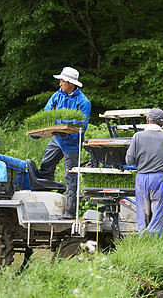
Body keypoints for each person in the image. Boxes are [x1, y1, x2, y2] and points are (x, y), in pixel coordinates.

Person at [37, 67, 91, 219]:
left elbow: (81, 126)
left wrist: (65, 130)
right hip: (56, 139)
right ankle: (45, 203)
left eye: (62, 81)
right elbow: (47, 112)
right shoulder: (58, 95)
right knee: (46, 165)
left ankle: (70, 212)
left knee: (71, 176)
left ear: (71, 83)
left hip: (72, 143)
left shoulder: (83, 102)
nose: (60, 83)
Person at [125, 108, 163, 236]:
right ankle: (153, 241)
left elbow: (129, 161)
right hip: (159, 177)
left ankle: (143, 240)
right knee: (157, 213)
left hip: (142, 178)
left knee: (142, 213)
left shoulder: (137, 136)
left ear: (147, 120)